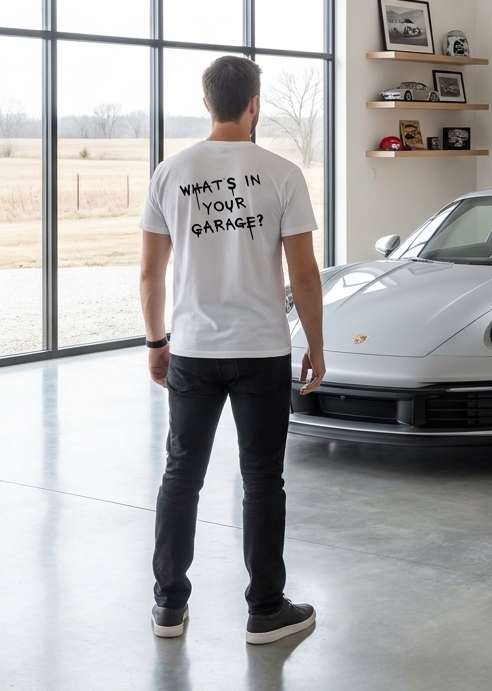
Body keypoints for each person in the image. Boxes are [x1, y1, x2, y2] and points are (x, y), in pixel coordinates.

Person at [139, 55, 326, 644]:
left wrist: (156, 342)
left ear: (206, 103)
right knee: (262, 478)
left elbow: (150, 275)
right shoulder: (282, 173)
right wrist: (316, 345)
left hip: (192, 349)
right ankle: (265, 611)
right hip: (261, 351)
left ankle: (169, 606)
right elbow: (304, 275)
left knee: (181, 474)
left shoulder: (171, 172)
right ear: (253, 105)